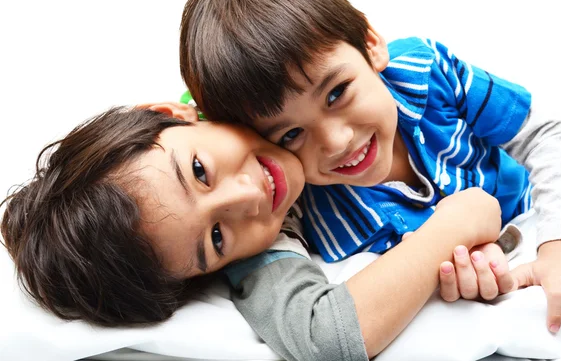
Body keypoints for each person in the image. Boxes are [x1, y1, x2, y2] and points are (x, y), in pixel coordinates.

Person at [178, 0, 561, 347]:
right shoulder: (293, 202)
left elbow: (544, 135)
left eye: (337, 93)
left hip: (530, 210)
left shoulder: (424, 71)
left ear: (370, 43)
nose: (337, 140)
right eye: (291, 134)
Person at [1, 104, 506, 360]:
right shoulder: (266, 248)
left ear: (174, 113)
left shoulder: (282, 74)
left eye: (199, 171)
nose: (247, 198)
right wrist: (454, 228)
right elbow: (326, 338)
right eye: (216, 239)